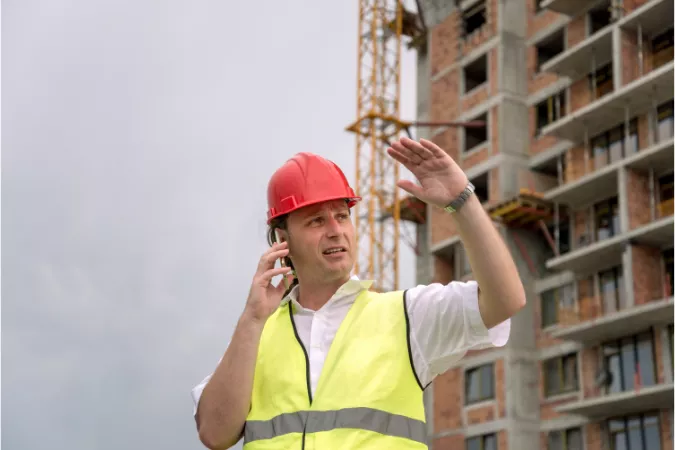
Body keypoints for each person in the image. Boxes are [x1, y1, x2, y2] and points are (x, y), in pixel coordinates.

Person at [192, 137, 526, 450]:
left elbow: (506, 299)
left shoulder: (407, 316)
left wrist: (462, 203)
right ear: (283, 238)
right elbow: (215, 433)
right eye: (316, 221)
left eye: (342, 216)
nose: (336, 230)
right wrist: (251, 321)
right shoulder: (256, 334)